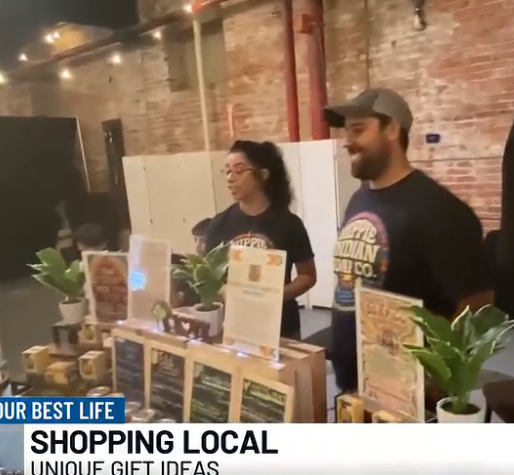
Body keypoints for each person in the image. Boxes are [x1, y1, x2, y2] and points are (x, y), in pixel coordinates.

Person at [323, 88, 493, 394]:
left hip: (405, 392)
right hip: (352, 381)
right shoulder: (359, 199)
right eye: (346, 131)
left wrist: (435, 379)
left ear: (392, 129)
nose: (347, 142)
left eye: (358, 130)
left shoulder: (440, 210)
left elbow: (477, 305)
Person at [204, 140, 317, 339]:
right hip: (237, 327)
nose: (230, 178)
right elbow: (208, 277)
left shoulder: (289, 224)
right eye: (227, 171)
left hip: (283, 328)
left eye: (239, 170)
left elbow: (307, 276)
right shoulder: (219, 224)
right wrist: (225, 291)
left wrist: (277, 295)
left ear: (263, 175)